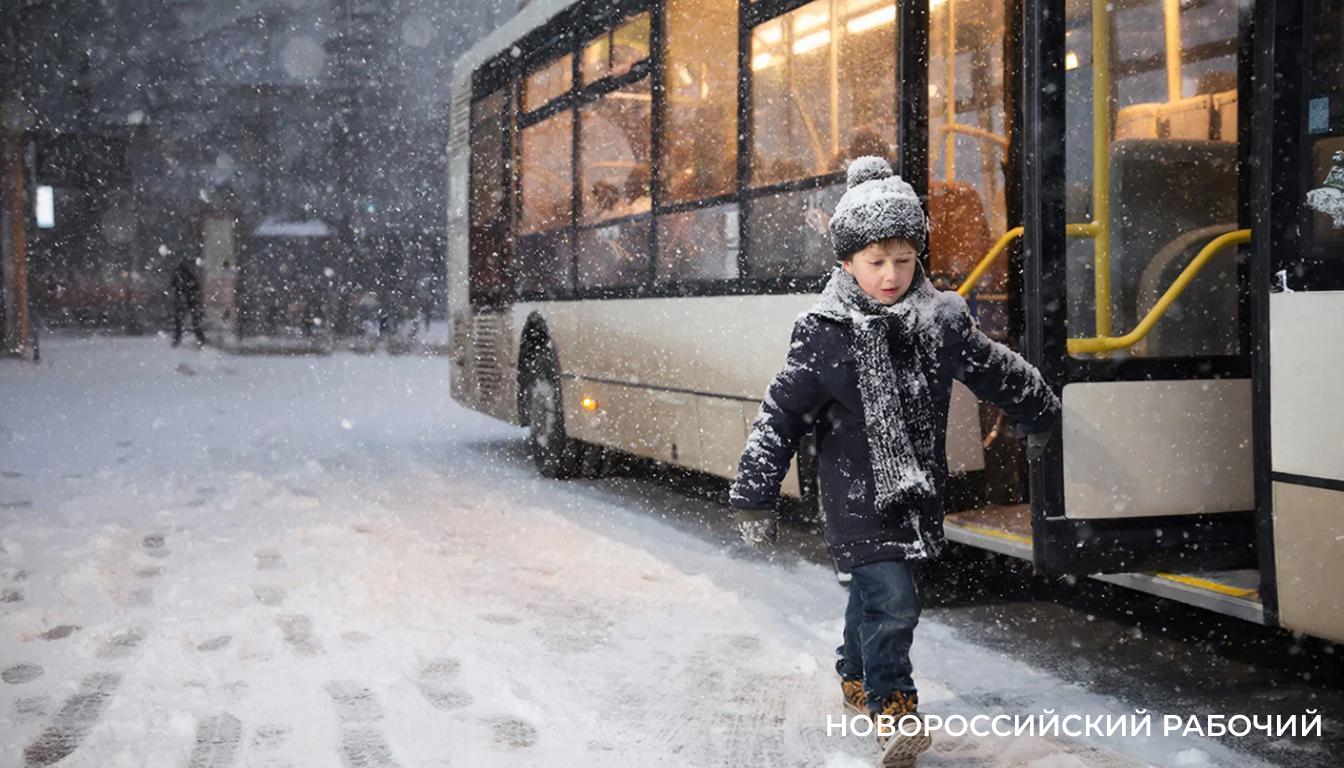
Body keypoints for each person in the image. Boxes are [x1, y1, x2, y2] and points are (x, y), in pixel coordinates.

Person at [728, 156, 1060, 767]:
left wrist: (1038, 405)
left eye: (903, 261)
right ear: (847, 262)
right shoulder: (825, 332)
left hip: (913, 489)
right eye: (875, 263)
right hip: (854, 494)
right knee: (896, 598)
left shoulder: (940, 320)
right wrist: (755, 492)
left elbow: (992, 367)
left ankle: (854, 672)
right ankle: (893, 706)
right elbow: (779, 415)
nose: (890, 276)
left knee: (876, 593)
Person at [169, 256, 206, 347]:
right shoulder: (188, 273)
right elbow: (195, 285)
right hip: (189, 298)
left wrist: (178, 293)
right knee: (194, 320)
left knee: (179, 320)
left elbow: (173, 285)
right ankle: (200, 338)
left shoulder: (178, 272)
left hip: (183, 298)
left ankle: (178, 338)